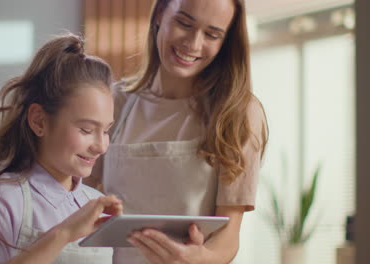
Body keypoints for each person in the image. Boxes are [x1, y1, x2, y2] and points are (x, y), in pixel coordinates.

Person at [86, 0, 268, 263]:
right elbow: (76, 203)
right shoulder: (116, 102)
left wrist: (198, 258)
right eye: (184, 23)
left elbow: (228, 238)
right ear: (160, 13)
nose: (193, 44)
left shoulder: (238, 114)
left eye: (212, 34)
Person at [0, 33, 123, 264]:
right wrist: (63, 233)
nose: (101, 146)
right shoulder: (4, 199)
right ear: (39, 121)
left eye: (105, 131)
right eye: (86, 129)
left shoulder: (97, 204)